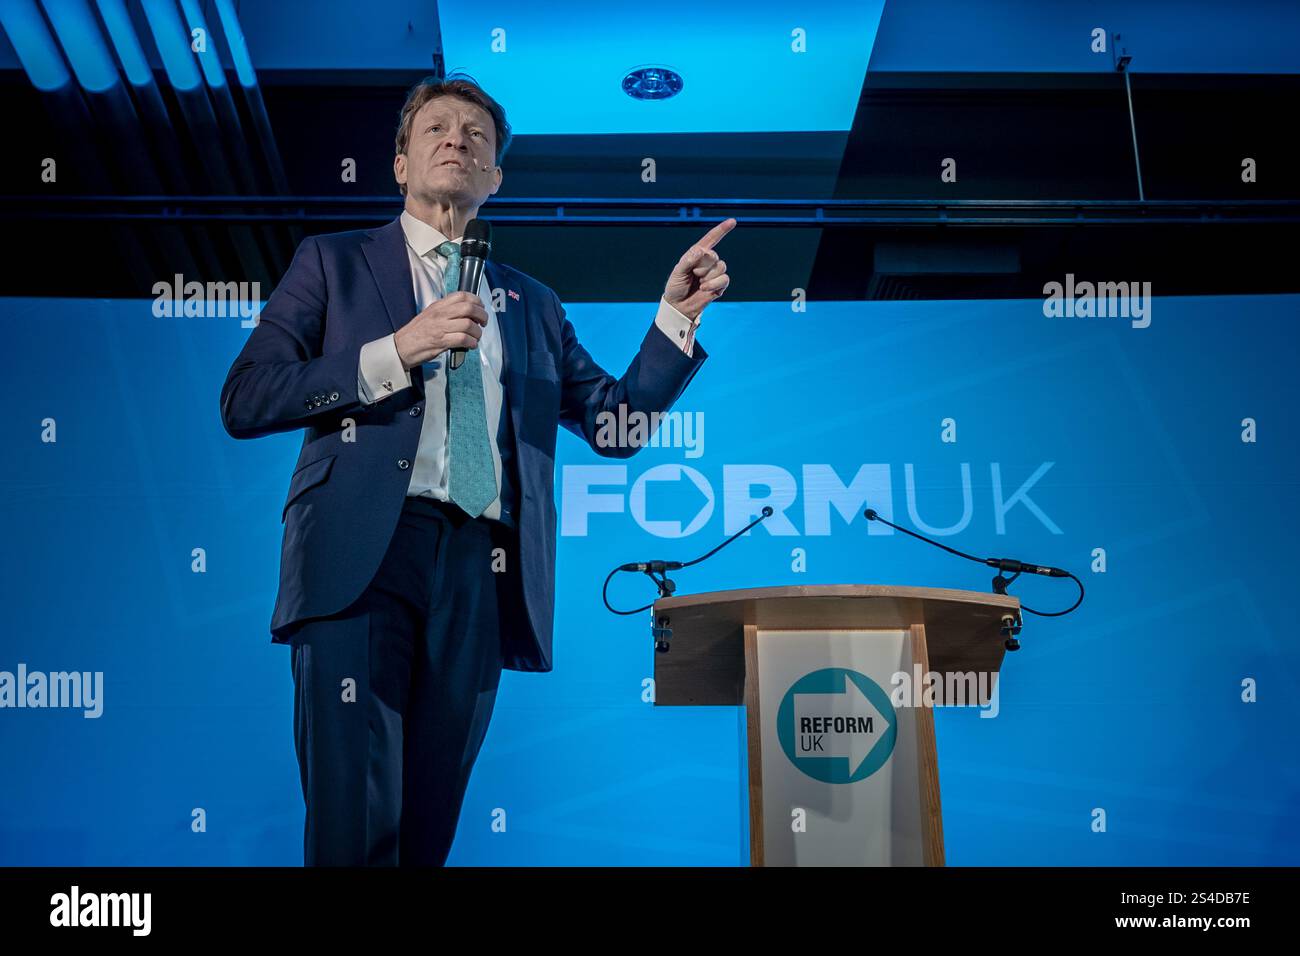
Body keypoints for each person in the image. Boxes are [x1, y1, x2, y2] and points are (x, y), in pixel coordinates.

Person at [218, 72, 733, 865]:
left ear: (495, 177)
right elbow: (246, 397)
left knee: (429, 825)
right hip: (359, 559)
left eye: (477, 136)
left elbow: (616, 424)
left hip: (479, 570)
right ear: (398, 163)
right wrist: (400, 349)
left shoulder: (533, 303)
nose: (456, 138)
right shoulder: (332, 264)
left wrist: (675, 317)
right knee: (354, 818)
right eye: (436, 128)